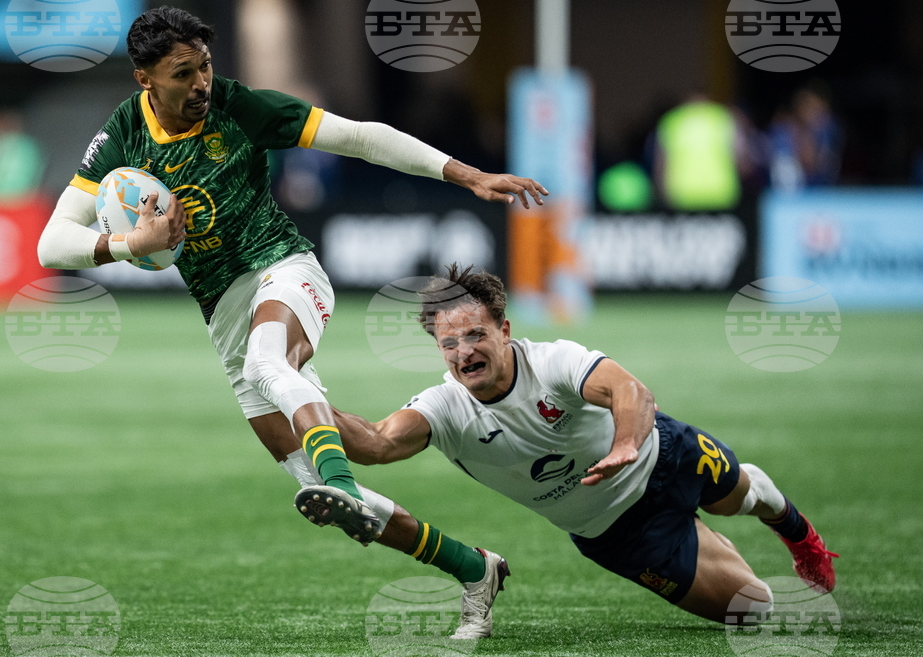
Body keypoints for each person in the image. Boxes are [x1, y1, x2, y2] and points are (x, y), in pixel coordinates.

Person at [37, 6, 544, 637]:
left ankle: (340, 482)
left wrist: (466, 174)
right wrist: (126, 245)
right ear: (146, 80)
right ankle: (474, 568)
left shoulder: (239, 106)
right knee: (333, 467)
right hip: (223, 308)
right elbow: (52, 244)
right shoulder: (122, 135)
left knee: (270, 365)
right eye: (183, 73)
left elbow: (359, 137)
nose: (201, 83)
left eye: (205, 66)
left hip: (284, 268)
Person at [332, 264, 839, 626]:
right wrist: (303, 401)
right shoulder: (444, 409)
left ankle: (797, 533)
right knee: (753, 611)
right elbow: (377, 443)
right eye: (449, 344)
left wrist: (626, 445)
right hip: (616, 531)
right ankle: (702, 543)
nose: (463, 352)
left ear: (504, 330)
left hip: (665, 456)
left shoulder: (552, 362)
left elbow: (631, 391)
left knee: (741, 499)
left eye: (475, 335)